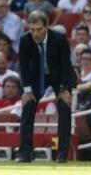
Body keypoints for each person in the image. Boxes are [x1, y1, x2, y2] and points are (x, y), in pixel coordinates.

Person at [18, 10, 76, 163]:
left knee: (64, 107)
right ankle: (25, 153)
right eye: (32, 30)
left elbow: (66, 65)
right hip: (36, 77)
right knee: (28, 107)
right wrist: (27, 90)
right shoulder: (24, 40)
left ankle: (62, 154)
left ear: (47, 27)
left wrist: (64, 90)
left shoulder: (59, 38)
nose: (35, 33)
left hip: (59, 76)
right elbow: (23, 66)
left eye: (39, 30)